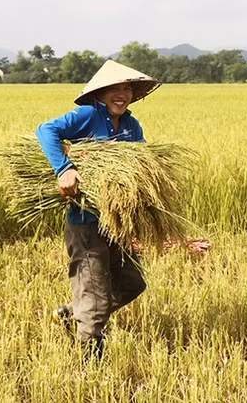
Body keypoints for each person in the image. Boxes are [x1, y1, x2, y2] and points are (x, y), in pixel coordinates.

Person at [35, 60, 162, 360]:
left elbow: (141, 168)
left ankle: (71, 313)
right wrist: (64, 169)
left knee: (131, 282)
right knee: (93, 296)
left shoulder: (131, 125)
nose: (122, 94)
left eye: (127, 88)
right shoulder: (89, 115)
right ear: (100, 93)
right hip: (86, 223)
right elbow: (46, 129)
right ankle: (91, 368)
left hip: (117, 223)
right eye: (114, 88)